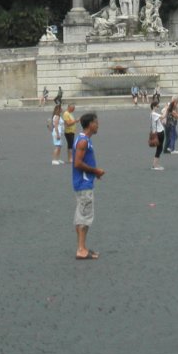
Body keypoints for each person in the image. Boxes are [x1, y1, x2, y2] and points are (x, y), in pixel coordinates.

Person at [71, 111, 104, 260]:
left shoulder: (83, 139)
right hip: (84, 183)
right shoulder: (83, 141)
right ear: (90, 124)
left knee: (81, 215)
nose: (98, 125)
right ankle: (80, 249)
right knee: (85, 216)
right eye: (96, 122)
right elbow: (77, 163)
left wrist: (94, 173)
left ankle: (82, 247)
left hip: (82, 182)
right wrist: (95, 170)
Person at [149, 96, 166, 170]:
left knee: (159, 148)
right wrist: (167, 109)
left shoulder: (152, 114)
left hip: (158, 131)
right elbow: (163, 116)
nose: (158, 108)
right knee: (159, 149)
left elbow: (161, 120)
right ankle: (155, 165)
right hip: (159, 132)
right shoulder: (154, 114)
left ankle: (156, 164)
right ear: (153, 106)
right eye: (157, 106)